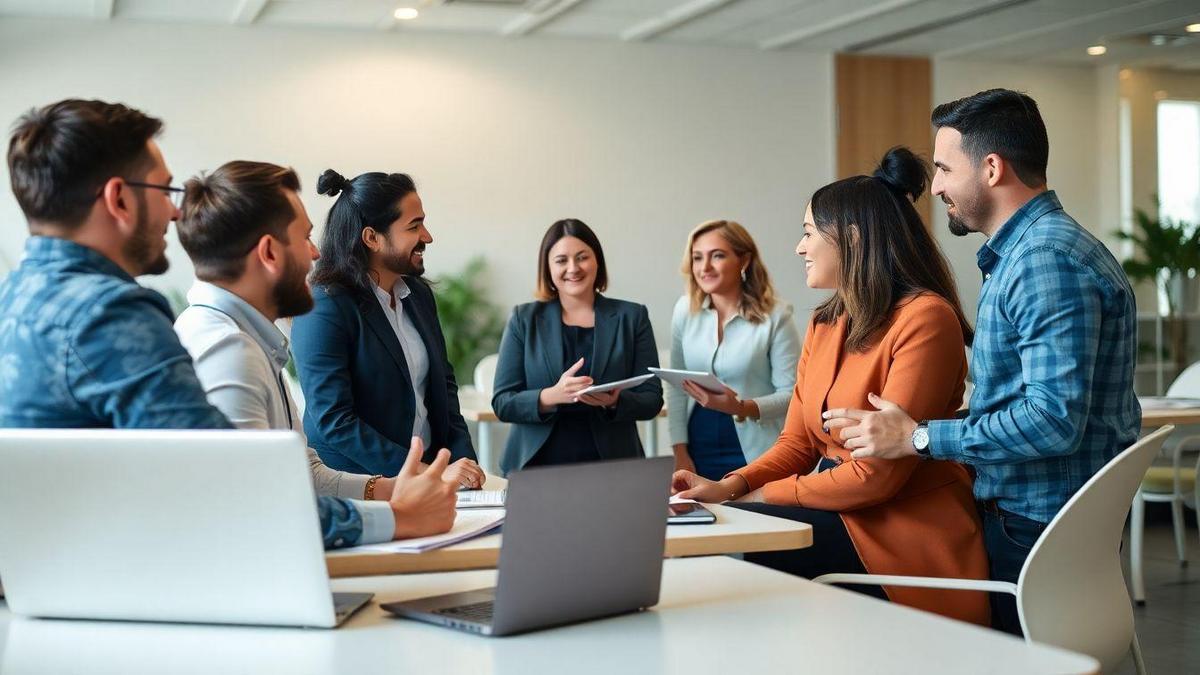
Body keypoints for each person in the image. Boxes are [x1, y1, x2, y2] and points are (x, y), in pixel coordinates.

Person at [0, 99, 455, 549]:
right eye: (164, 191)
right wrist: (396, 520)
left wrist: (386, 495)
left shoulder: (15, 298)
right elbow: (232, 489)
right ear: (119, 198)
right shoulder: (112, 315)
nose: (175, 213)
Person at [822, 90, 1140, 635]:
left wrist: (919, 438)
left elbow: (1052, 420)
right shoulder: (1037, 252)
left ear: (991, 168)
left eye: (945, 168)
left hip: (1032, 528)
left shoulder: (1042, 261)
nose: (937, 185)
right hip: (1046, 525)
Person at [673, 147, 990, 626]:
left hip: (901, 528)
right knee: (728, 545)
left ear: (853, 238)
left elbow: (879, 477)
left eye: (807, 234)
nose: (799, 248)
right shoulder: (825, 324)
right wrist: (728, 485)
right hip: (835, 506)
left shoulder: (925, 318)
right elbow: (797, 442)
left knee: (747, 553)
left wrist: (757, 499)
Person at [174, 160, 482, 507]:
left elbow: (304, 473)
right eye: (304, 237)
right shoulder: (229, 349)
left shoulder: (255, 342)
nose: (316, 252)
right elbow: (255, 500)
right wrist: (413, 489)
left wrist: (443, 472)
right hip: (354, 495)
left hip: (381, 491)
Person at [290, 169, 480, 480]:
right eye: (414, 226)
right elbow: (335, 421)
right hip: (359, 486)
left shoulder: (418, 296)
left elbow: (443, 389)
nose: (427, 236)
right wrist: (423, 475)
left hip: (429, 478)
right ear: (372, 238)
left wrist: (465, 466)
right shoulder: (324, 306)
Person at [491, 219, 664, 474]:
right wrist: (552, 396)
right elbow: (503, 402)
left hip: (614, 466)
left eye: (582, 257)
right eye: (561, 260)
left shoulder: (632, 316)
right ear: (547, 267)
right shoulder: (524, 319)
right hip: (536, 467)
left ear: (597, 262)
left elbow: (652, 399)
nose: (573, 268)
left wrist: (614, 402)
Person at [668, 219, 800, 480]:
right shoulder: (684, 310)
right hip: (698, 445)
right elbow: (676, 389)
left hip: (758, 449)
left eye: (717, 256)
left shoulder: (776, 315)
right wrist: (679, 452)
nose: (704, 267)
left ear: (744, 260)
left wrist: (741, 407)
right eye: (697, 258)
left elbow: (792, 395)